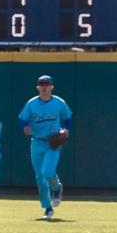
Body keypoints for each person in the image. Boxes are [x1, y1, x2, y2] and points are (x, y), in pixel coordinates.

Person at [18, 75, 73, 220]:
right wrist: (25, 127)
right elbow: (22, 118)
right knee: (40, 178)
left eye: (47, 84)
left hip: (53, 142)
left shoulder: (58, 103)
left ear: (51, 87)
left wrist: (66, 129)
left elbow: (67, 117)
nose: (44, 86)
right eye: (41, 84)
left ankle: (56, 188)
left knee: (47, 172)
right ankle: (48, 209)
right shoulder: (32, 103)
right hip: (37, 142)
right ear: (37, 87)